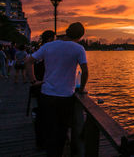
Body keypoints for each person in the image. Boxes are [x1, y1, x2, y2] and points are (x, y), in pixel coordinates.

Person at [27, 22, 88, 157]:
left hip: (47, 94)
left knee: (49, 128)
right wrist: (82, 88)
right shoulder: (78, 49)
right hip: (65, 97)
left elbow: (29, 61)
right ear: (80, 36)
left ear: (67, 31)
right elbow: (85, 71)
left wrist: (33, 81)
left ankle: (50, 152)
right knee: (62, 130)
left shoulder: (49, 46)